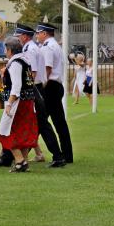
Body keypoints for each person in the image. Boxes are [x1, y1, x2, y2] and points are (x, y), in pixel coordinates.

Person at [0, 23, 64, 168]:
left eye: (19, 36)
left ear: (25, 36)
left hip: (31, 89)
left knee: (38, 125)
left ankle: (55, 156)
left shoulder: (30, 50)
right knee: (31, 125)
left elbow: (31, 74)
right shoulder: (28, 50)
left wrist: (16, 96)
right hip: (31, 89)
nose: (18, 38)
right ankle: (12, 158)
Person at [0, 37, 39, 173]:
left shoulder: (15, 63)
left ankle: (20, 160)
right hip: (27, 101)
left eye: (6, 49)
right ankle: (23, 162)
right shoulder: (25, 61)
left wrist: (9, 103)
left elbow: (16, 86)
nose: (5, 51)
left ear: (10, 50)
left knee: (7, 131)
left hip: (18, 103)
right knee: (23, 133)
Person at [36, 22, 73, 163]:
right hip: (55, 86)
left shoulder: (47, 47)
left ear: (44, 33)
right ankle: (66, 155)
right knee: (56, 123)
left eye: (38, 33)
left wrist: (41, 87)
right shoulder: (55, 45)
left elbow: (47, 69)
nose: (37, 35)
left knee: (42, 122)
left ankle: (58, 155)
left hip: (50, 87)